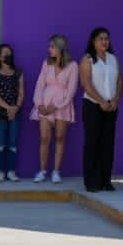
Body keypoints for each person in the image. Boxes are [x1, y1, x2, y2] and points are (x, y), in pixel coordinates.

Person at [78, 27, 122, 193]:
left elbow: (120, 80)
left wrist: (115, 99)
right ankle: (91, 182)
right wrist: (101, 101)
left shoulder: (113, 59)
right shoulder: (87, 59)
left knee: (108, 144)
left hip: (111, 106)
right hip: (93, 106)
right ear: (93, 41)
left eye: (106, 38)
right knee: (92, 143)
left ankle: (106, 181)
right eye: (101, 39)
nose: (104, 41)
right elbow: (86, 84)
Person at [30, 34, 77, 183]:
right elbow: (39, 84)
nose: (49, 49)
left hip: (62, 105)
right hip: (45, 104)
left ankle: (56, 172)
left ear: (60, 48)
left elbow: (71, 90)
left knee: (60, 138)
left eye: (52, 47)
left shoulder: (72, 65)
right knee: (44, 138)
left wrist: (56, 106)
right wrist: (39, 104)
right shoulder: (47, 63)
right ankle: (42, 171)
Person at [0, 43, 25, 182]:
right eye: (5, 53)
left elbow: (21, 92)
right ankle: (0, 171)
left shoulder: (18, 72)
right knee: (0, 143)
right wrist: (8, 108)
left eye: (10, 53)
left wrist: (16, 107)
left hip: (15, 111)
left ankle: (12, 172)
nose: (9, 55)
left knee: (13, 143)